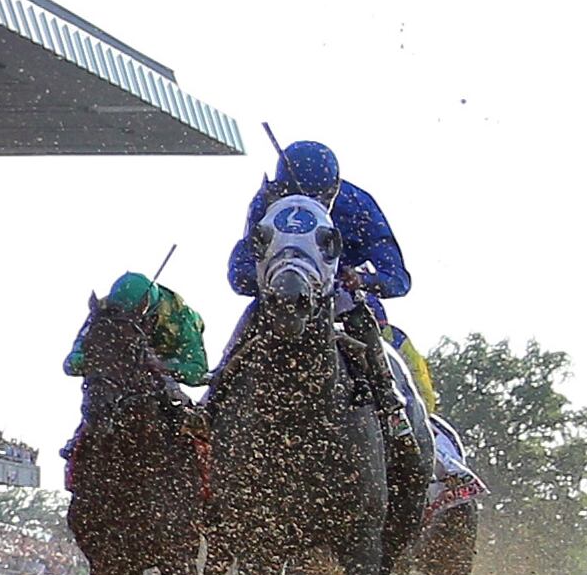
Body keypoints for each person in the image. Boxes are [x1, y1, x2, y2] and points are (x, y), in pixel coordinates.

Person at [220, 135, 435, 479]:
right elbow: (239, 272)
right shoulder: (267, 203)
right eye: (293, 196)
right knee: (246, 328)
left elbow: (398, 278)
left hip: (342, 303)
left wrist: (362, 280)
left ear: (333, 192)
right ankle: (213, 403)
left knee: (365, 327)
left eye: (317, 199)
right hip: (279, 302)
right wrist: (266, 281)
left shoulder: (357, 205)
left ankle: (392, 407)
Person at [64, 271, 208, 387]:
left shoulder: (182, 319)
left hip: (166, 363)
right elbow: (71, 362)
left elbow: (197, 371)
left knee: (166, 390)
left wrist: (163, 366)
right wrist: (96, 360)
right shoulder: (103, 312)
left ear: (152, 315)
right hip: (119, 369)